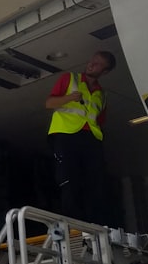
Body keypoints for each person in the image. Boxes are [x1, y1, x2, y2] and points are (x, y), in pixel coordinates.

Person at [45, 50, 116, 225]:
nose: (91, 64)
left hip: (90, 139)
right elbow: (49, 104)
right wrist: (69, 97)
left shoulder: (102, 94)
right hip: (66, 135)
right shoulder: (70, 79)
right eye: (92, 60)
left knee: (95, 183)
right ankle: (74, 226)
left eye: (98, 63)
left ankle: (95, 225)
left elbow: (99, 120)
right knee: (69, 182)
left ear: (105, 72)